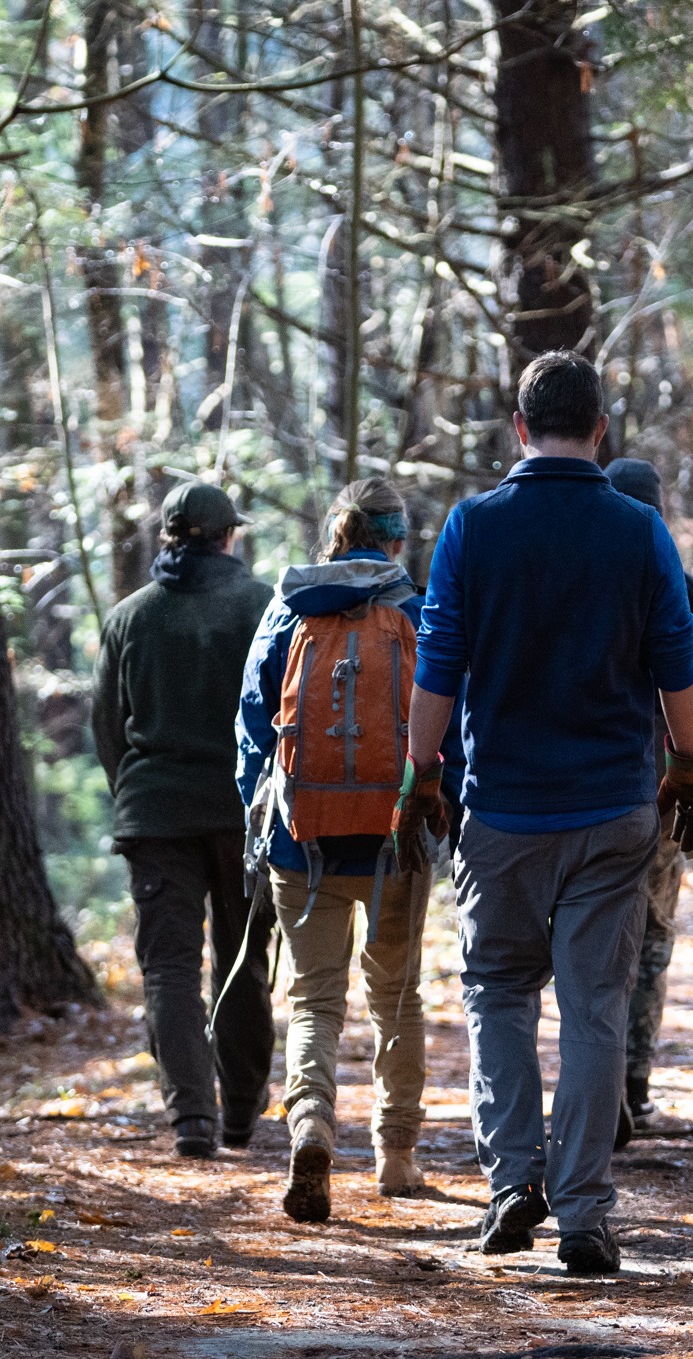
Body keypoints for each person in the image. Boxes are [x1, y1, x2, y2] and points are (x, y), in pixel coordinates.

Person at [395, 353, 693, 1276]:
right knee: (593, 1008)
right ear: (603, 429)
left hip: (499, 809)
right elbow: (677, 661)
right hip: (613, 806)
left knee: (498, 989)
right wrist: (689, 767)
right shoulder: (638, 530)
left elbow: (439, 664)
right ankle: (583, 1212)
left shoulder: (472, 527)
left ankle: (511, 1186)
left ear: (519, 427)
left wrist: (422, 772)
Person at [235, 479, 434, 1222]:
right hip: (394, 835)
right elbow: (449, 711)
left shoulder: (292, 604)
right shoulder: (414, 608)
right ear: (395, 540)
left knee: (315, 997)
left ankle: (312, 1122)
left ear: (336, 531)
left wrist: (259, 816)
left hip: (302, 836)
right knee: (396, 995)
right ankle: (397, 1155)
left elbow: (255, 721)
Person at [92, 481, 278, 1160]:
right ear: (229, 536)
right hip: (242, 813)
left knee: (169, 968)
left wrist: (137, 794)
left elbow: (107, 728)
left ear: (169, 538)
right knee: (243, 959)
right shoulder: (262, 606)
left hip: (156, 815)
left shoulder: (130, 617)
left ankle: (191, 1118)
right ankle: (239, 1112)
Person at [602, 458, 693, 1146]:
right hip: (668, 790)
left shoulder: (581, 584)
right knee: (653, 936)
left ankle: (596, 1081)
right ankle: (631, 1082)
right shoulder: (691, 596)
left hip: (589, 787)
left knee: (594, 934)